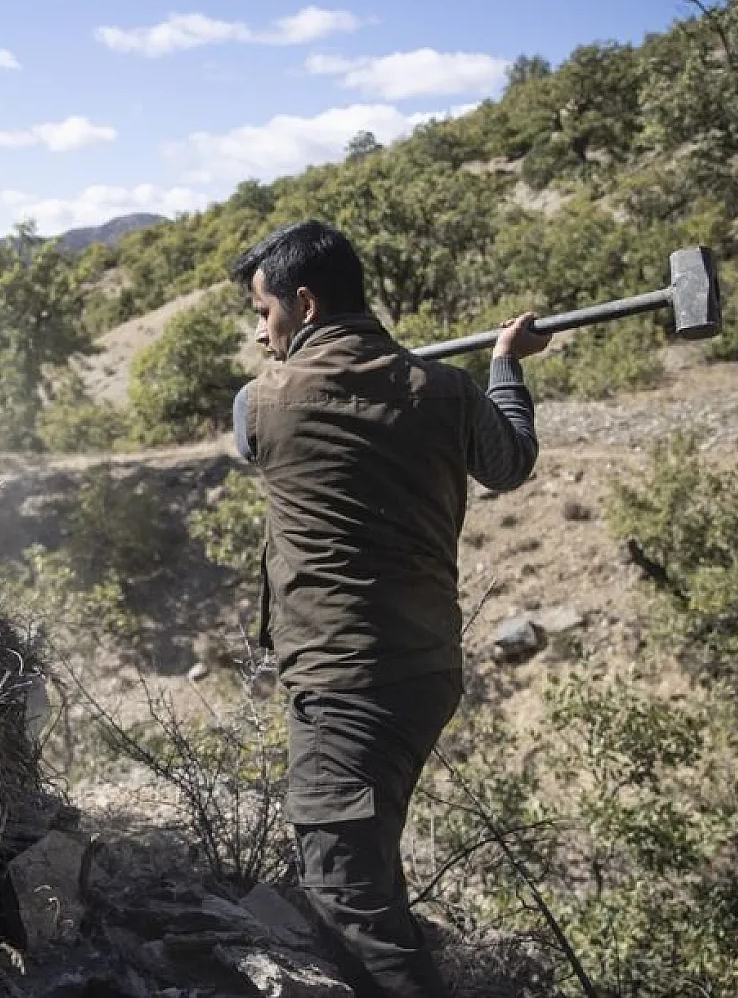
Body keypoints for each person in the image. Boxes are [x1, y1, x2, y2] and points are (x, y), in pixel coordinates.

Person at [229, 220, 547, 998]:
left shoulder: (264, 403)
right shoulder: (447, 390)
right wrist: (502, 366)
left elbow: (245, 429)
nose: (261, 336)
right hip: (426, 671)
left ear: (303, 304)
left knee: (348, 896)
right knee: (368, 862)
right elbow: (512, 461)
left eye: (265, 315)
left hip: (344, 686)